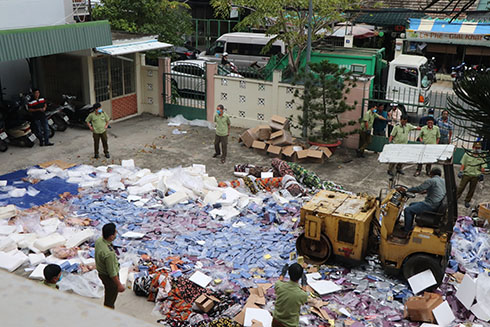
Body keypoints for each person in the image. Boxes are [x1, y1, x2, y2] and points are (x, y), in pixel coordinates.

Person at [397, 167, 446, 234]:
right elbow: (438, 190)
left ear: (431, 173)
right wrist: (426, 191)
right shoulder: (443, 181)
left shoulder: (431, 181)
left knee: (407, 210)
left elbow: (419, 189)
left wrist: (406, 190)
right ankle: (408, 226)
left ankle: (406, 231)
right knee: (412, 204)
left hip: (431, 205)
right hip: (437, 204)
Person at [95, 223, 125, 308]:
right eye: (115, 233)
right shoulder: (109, 254)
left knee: (108, 292)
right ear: (111, 236)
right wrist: (119, 285)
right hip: (108, 277)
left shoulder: (99, 241)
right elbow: (112, 273)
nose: (116, 233)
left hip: (101, 272)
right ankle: (108, 313)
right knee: (110, 297)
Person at [457, 142, 486, 208]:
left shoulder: (482, 156)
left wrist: (482, 174)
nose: (478, 149)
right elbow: (463, 164)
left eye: (479, 148)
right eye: (476, 148)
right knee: (461, 188)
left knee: (471, 190)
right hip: (466, 174)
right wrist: (461, 171)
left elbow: (483, 166)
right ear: (473, 148)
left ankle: (467, 201)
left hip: (475, 176)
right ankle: (455, 198)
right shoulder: (467, 155)